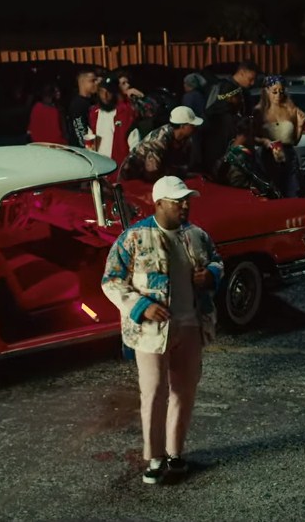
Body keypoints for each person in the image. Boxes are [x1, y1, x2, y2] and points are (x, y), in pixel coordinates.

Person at [101, 176, 224, 485]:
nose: (185, 206)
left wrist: (210, 275)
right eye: (177, 202)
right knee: (154, 392)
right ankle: (155, 458)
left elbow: (218, 261)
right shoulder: (133, 238)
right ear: (158, 204)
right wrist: (141, 306)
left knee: (185, 391)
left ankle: (175, 453)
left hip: (191, 325)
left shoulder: (197, 235)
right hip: (150, 333)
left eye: (187, 201)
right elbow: (111, 280)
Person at [120, 106, 202, 183]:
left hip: (158, 175)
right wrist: (177, 173)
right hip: (133, 178)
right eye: (192, 125)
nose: (196, 127)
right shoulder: (158, 141)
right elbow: (152, 173)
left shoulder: (185, 138)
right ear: (182, 126)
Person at [255, 75, 305, 197]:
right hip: (268, 156)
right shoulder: (259, 111)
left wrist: (300, 126)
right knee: (271, 193)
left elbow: (295, 141)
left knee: (292, 191)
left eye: (281, 91)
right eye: (274, 92)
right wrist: (264, 141)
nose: (278, 95)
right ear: (266, 91)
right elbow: (253, 136)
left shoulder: (291, 110)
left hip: (288, 155)